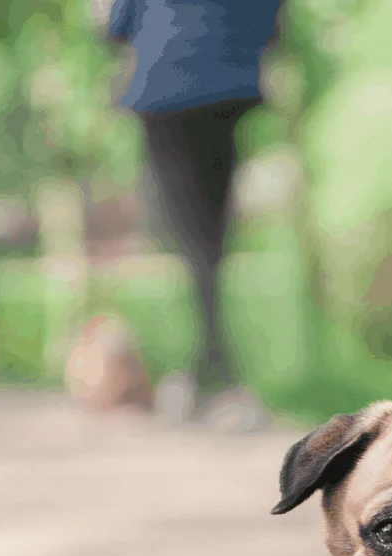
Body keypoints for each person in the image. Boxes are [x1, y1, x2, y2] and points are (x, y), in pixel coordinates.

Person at [103, 0, 283, 429]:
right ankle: (210, 372)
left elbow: (114, 23)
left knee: (187, 238)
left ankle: (209, 373)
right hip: (228, 83)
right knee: (210, 237)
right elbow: (273, 19)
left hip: (164, 85)